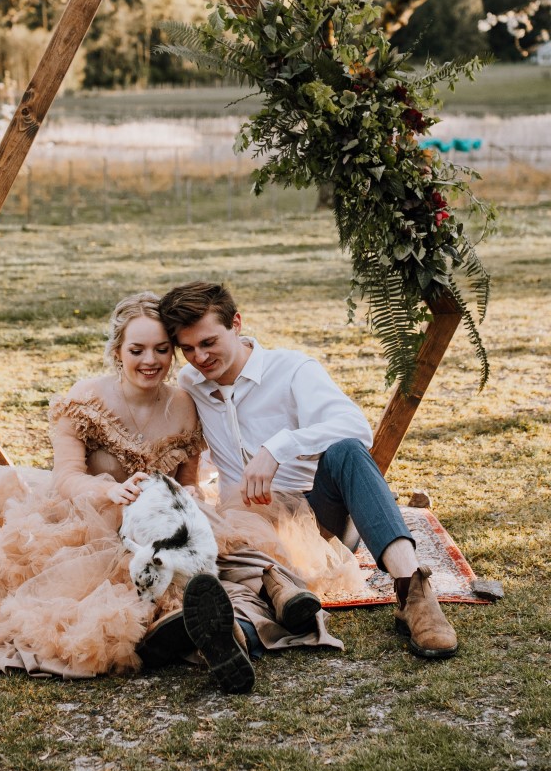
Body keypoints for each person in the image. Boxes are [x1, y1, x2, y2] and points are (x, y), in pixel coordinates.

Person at [0, 291, 350, 690]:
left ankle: (251, 601)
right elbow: (67, 477)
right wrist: (108, 493)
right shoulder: (84, 400)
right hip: (89, 517)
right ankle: (194, 627)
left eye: (162, 350)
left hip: (160, 514)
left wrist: (180, 499)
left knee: (209, 536)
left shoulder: (186, 402)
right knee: (105, 585)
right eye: (137, 349)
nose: (150, 361)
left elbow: (190, 483)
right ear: (117, 351)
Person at [157, 281, 459, 660]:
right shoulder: (192, 383)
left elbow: (356, 428)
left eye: (208, 342)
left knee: (347, 451)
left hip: (317, 517)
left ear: (236, 323)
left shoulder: (292, 369)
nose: (199, 358)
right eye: (188, 349)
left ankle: (414, 593)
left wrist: (278, 447)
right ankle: (238, 633)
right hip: (245, 524)